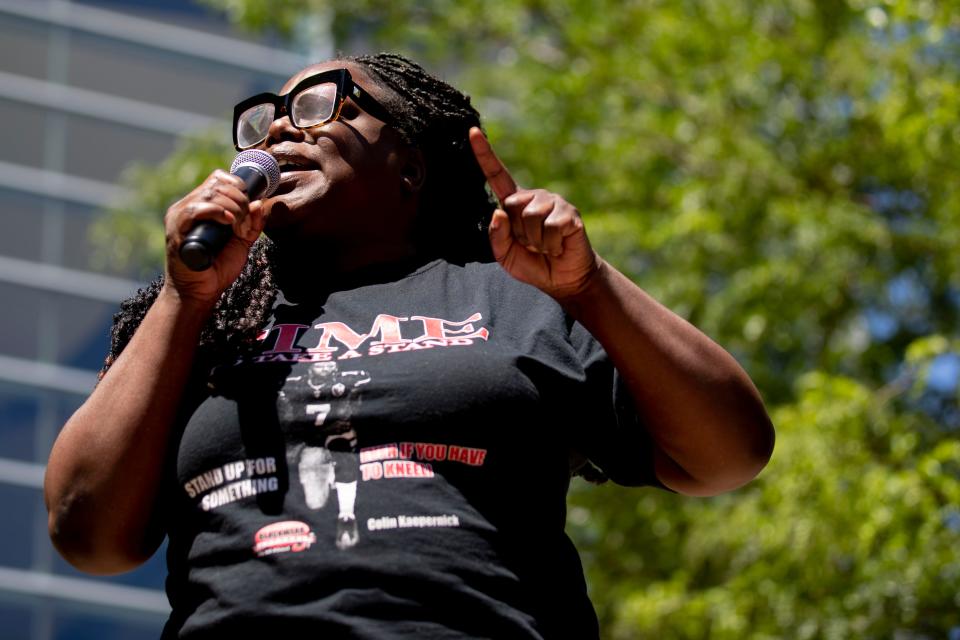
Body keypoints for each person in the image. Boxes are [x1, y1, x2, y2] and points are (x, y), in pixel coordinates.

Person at [44, 52, 774, 638]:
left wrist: (591, 286)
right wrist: (183, 298)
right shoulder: (207, 326)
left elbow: (729, 452)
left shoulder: (520, 298)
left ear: (410, 165)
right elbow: (89, 531)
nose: (279, 134)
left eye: (319, 107)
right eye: (265, 123)